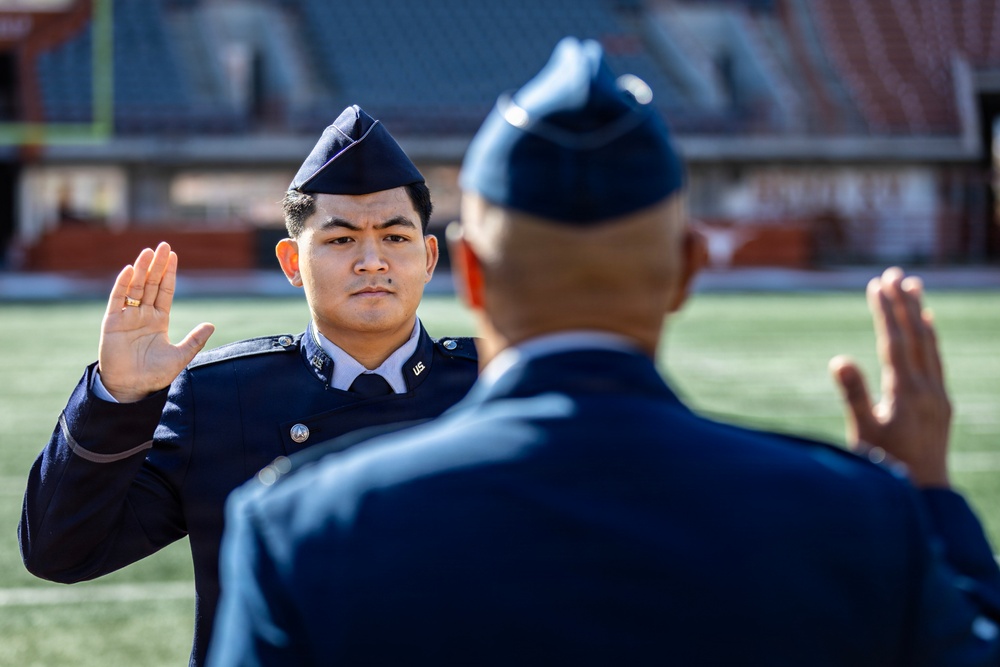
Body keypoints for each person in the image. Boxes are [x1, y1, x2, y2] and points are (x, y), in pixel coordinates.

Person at [207, 39, 1000, 666]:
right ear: (688, 269)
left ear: (471, 273)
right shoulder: (857, 517)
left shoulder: (306, 531)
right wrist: (929, 498)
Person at [18, 105, 478, 667]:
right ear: (291, 262)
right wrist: (119, 397)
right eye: (340, 240)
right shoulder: (221, 397)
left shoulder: (492, 387)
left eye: (396, 237)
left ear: (429, 258)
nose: (371, 261)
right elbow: (60, 553)